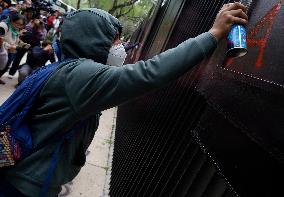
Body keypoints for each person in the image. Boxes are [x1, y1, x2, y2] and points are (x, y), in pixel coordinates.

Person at [0, 2, 248, 196]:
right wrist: (213, 34)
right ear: (93, 39)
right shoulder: (81, 76)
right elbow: (150, 73)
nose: (119, 46)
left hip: (21, 177)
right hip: (25, 187)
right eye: (115, 40)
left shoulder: (63, 68)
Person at [0, 10, 26, 85]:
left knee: (5, 67)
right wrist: (9, 46)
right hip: (2, 50)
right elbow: (0, 40)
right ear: (12, 20)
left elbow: (15, 39)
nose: (18, 26)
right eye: (17, 23)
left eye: (20, 25)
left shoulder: (15, 28)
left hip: (10, 51)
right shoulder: (3, 26)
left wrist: (21, 43)